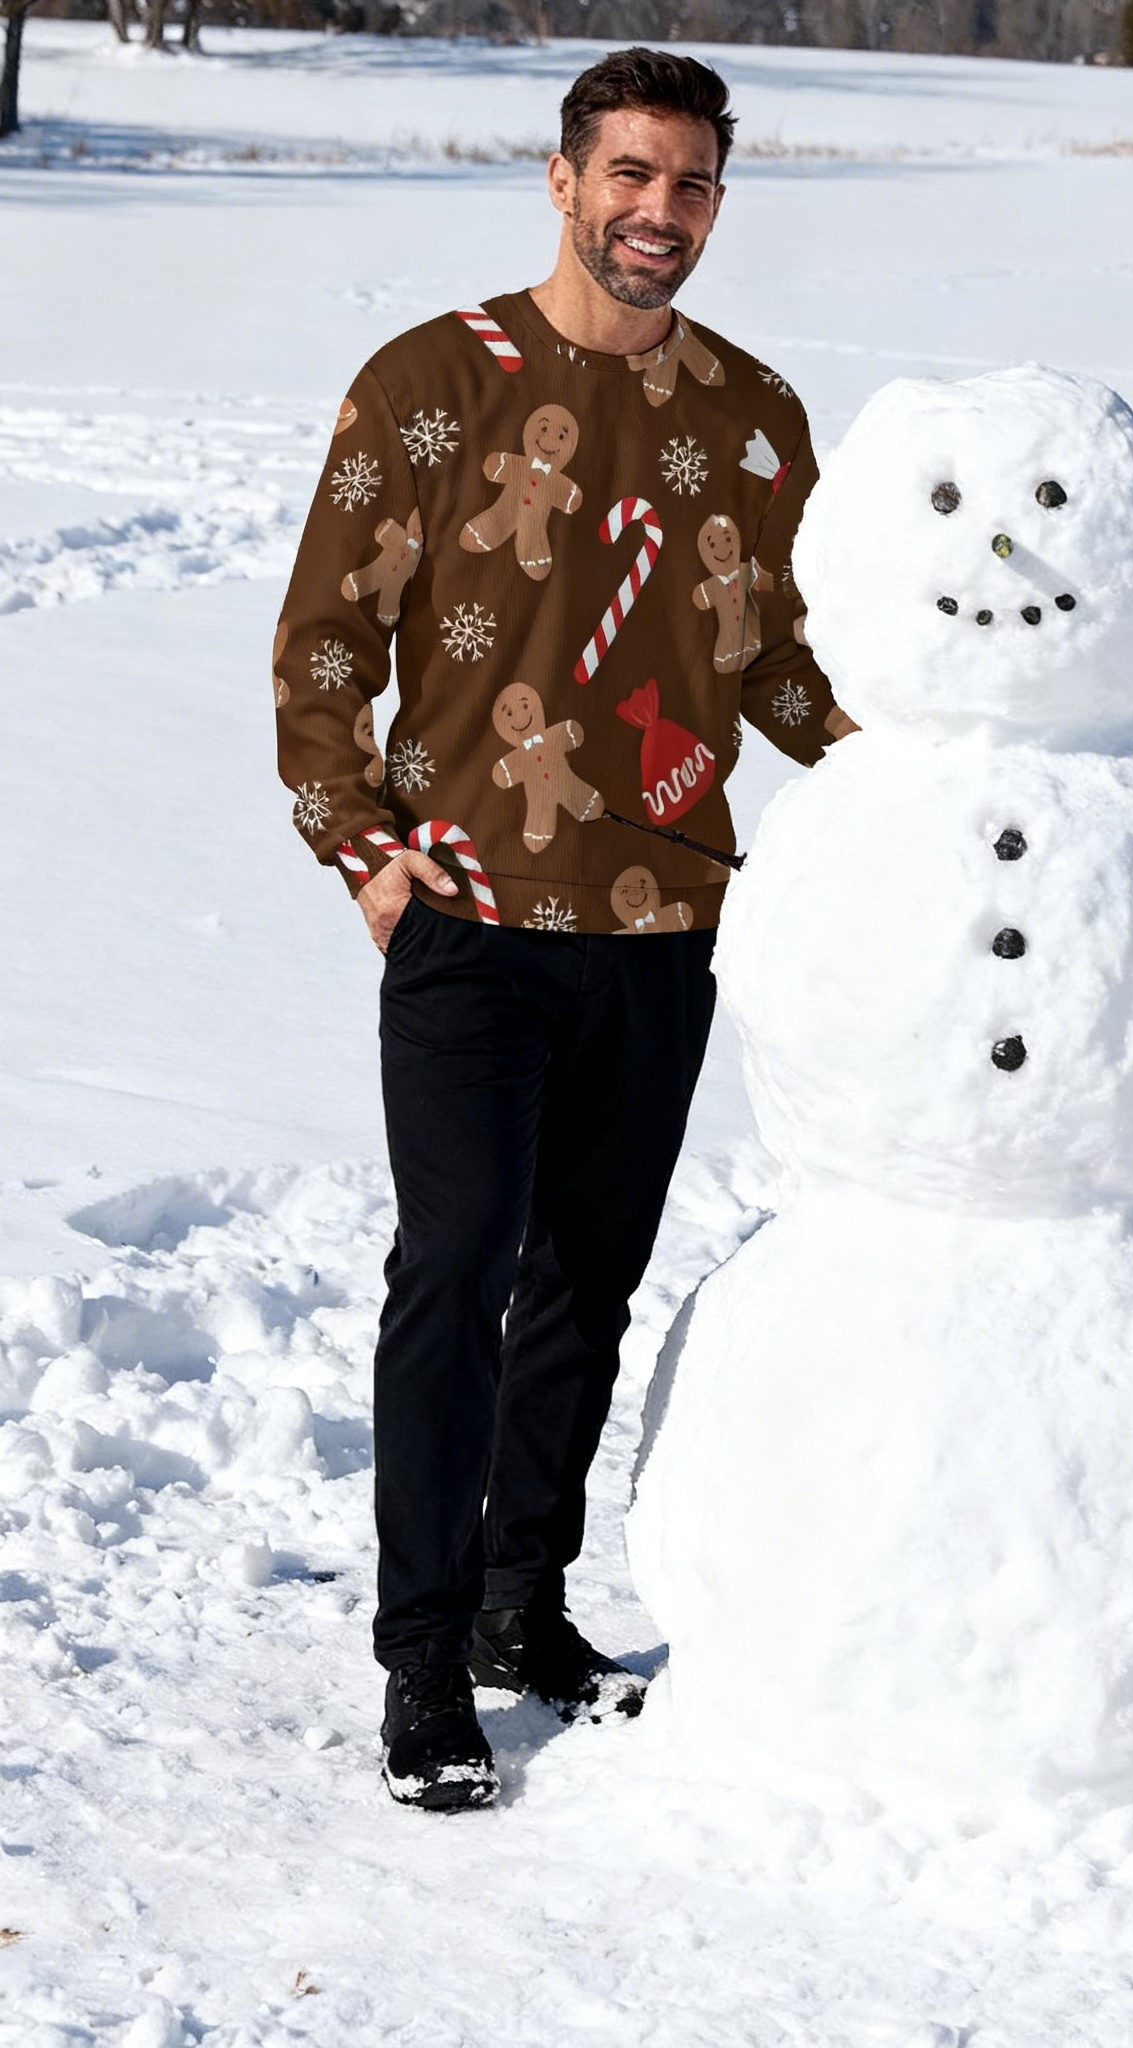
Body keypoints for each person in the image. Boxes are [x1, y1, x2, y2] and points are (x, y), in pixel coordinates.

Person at [273, 48, 851, 1810]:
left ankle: (525, 1604)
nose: (658, 211)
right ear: (563, 181)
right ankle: (422, 1656)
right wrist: (363, 852)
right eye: (630, 175)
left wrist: (945, 768)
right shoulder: (432, 381)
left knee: (586, 1283)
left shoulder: (753, 418)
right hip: (468, 913)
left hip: (666, 915)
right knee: (454, 1269)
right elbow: (325, 646)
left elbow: (779, 667)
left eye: (691, 183)